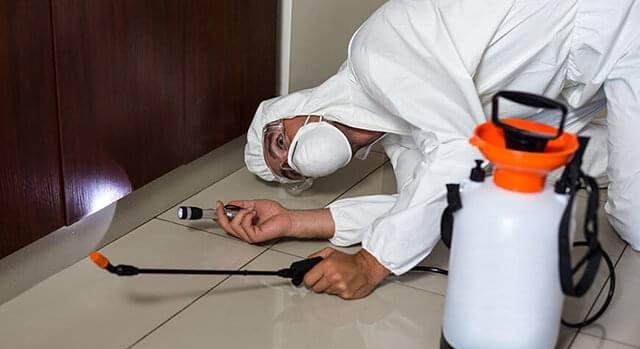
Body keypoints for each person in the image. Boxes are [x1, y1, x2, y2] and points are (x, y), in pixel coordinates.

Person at [216, 0, 640, 299]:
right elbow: (426, 201)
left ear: (296, 108)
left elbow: (459, 153)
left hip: (611, 22)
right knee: (520, 174)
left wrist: (370, 264)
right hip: (580, 76)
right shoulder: (399, 135)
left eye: (280, 142)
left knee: (632, 220)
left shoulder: (373, 56)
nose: (293, 157)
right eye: (289, 170)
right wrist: (294, 221)